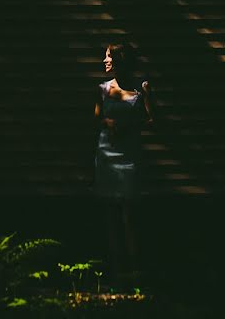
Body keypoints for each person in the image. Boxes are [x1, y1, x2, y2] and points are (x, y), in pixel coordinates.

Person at [93, 42, 155, 288]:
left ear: (120, 61)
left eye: (108, 57)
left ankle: (135, 268)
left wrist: (148, 99)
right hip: (107, 155)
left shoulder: (140, 90)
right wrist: (108, 123)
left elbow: (152, 120)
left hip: (128, 156)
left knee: (129, 212)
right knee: (111, 212)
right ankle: (116, 269)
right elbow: (97, 116)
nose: (105, 61)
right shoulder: (103, 89)